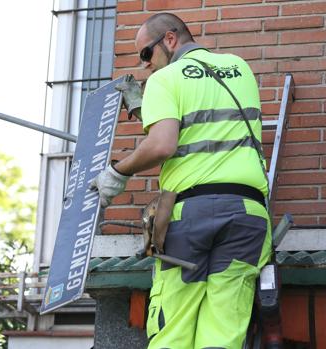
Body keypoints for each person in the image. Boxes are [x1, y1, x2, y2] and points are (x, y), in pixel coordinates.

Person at [90, 13, 272, 349]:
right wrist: (146, 109)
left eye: (147, 54)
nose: (146, 66)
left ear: (170, 40)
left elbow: (163, 144)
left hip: (192, 217)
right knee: (223, 333)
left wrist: (118, 172)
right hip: (248, 217)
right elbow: (207, 117)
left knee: (172, 330)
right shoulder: (240, 67)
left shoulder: (166, 79)